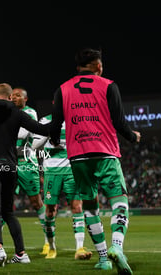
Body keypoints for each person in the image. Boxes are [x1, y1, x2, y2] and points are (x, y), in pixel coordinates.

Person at [50, 48, 140, 274]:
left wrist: (53, 139)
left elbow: (55, 124)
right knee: (119, 200)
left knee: (90, 207)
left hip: (78, 156)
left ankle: (103, 258)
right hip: (105, 152)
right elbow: (119, 122)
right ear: (98, 66)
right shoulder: (109, 85)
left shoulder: (62, 89)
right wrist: (133, 136)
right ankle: (117, 247)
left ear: (78, 67)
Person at [0, 83, 51, 267]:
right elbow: (42, 130)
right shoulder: (17, 113)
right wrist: (60, 119)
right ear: (10, 98)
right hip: (10, 167)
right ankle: (21, 253)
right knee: (8, 212)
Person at [32, 114, 92, 260]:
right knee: (50, 210)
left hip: (72, 170)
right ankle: (52, 248)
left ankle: (79, 248)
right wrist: (49, 131)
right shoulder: (45, 121)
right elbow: (34, 146)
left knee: (77, 207)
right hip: (51, 172)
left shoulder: (77, 119)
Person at [11, 87, 48, 254]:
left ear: (25, 99)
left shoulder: (30, 113)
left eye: (18, 96)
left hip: (26, 162)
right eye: (12, 95)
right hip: (10, 162)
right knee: (4, 201)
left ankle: (48, 240)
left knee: (36, 202)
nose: (14, 98)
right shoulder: (9, 111)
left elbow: (22, 133)